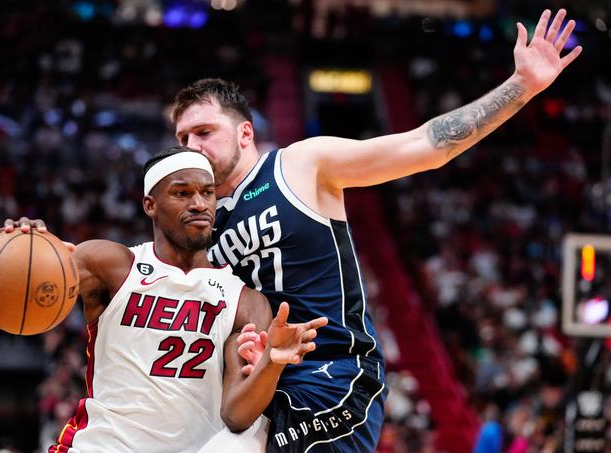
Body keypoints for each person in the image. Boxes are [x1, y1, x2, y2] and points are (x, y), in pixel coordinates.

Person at [170, 8, 581, 452]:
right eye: (183, 139)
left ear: (245, 133)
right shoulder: (200, 223)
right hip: (259, 382)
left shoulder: (300, 164)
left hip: (333, 375)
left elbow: (425, 145)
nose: (192, 147)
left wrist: (521, 86)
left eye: (204, 132)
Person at [0, 147, 327, 452]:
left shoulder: (246, 301)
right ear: (150, 204)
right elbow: (37, 276)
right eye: (182, 193)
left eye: (207, 193)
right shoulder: (111, 264)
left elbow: (236, 415)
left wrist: (272, 363)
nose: (198, 203)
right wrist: (28, 246)